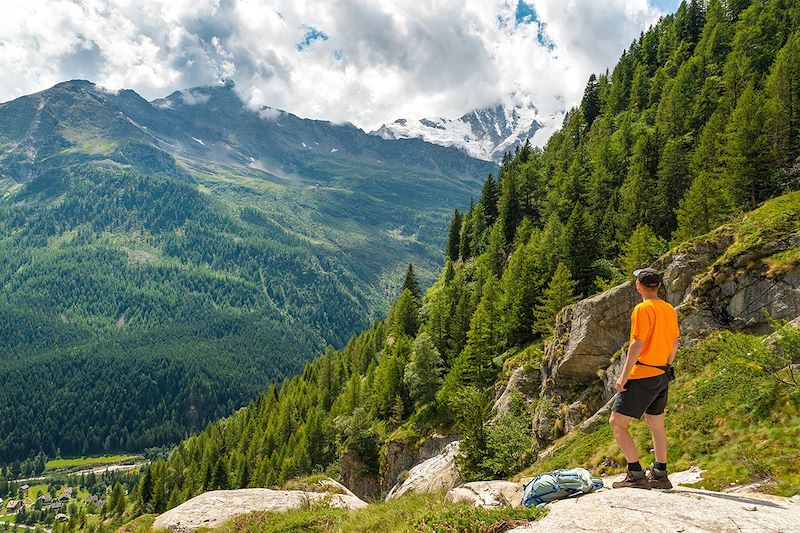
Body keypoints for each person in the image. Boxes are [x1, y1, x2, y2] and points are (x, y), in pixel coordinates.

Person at [610, 268, 679, 490]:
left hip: (643, 373)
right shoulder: (669, 309)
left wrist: (622, 377)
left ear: (639, 286)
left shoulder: (642, 309)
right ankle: (660, 474)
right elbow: (675, 342)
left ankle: (636, 474)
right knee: (656, 424)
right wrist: (666, 366)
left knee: (617, 423)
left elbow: (637, 344)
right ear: (657, 286)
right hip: (662, 373)